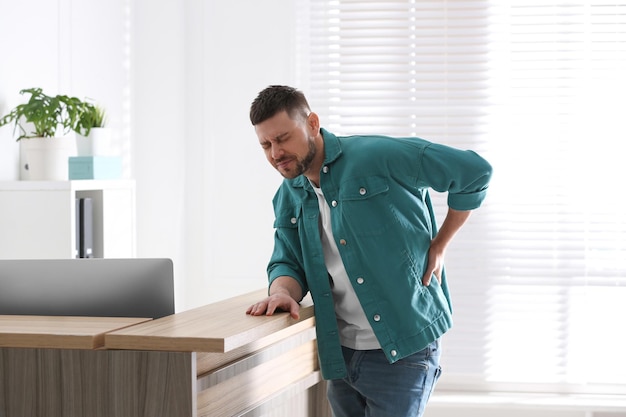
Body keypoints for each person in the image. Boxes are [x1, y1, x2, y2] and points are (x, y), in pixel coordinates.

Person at [246, 85, 492, 417]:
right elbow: (287, 260)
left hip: (404, 351)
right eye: (266, 144)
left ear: (313, 123)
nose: (276, 153)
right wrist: (281, 292)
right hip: (341, 353)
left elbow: (474, 172)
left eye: (283, 138)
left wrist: (440, 244)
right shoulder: (290, 194)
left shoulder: (377, 155)